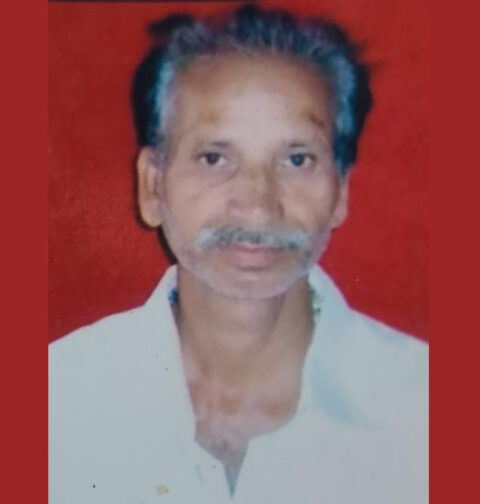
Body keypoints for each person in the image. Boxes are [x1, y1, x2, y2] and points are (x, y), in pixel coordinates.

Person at [49, 4, 428, 503]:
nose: (257, 206)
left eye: (297, 159)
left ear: (340, 192)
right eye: (214, 158)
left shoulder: (427, 411)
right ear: (153, 186)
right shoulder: (55, 400)